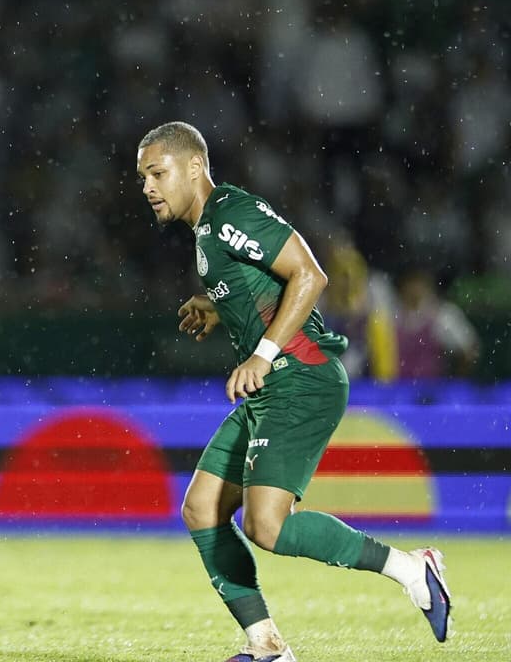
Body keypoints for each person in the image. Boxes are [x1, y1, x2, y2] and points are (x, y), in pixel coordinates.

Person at [135, 121, 451, 662]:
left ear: (194, 167)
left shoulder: (230, 213)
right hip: (274, 385)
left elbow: (310, 274)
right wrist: (217, 305)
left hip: (299, 379)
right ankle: (267, 646)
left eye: (157, 173)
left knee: (266, 525)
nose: (147, 187)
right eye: (142, 177)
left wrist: (261, 354)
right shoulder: (208, 230)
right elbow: (267, 284)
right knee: (203, 508)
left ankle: (411, 567)